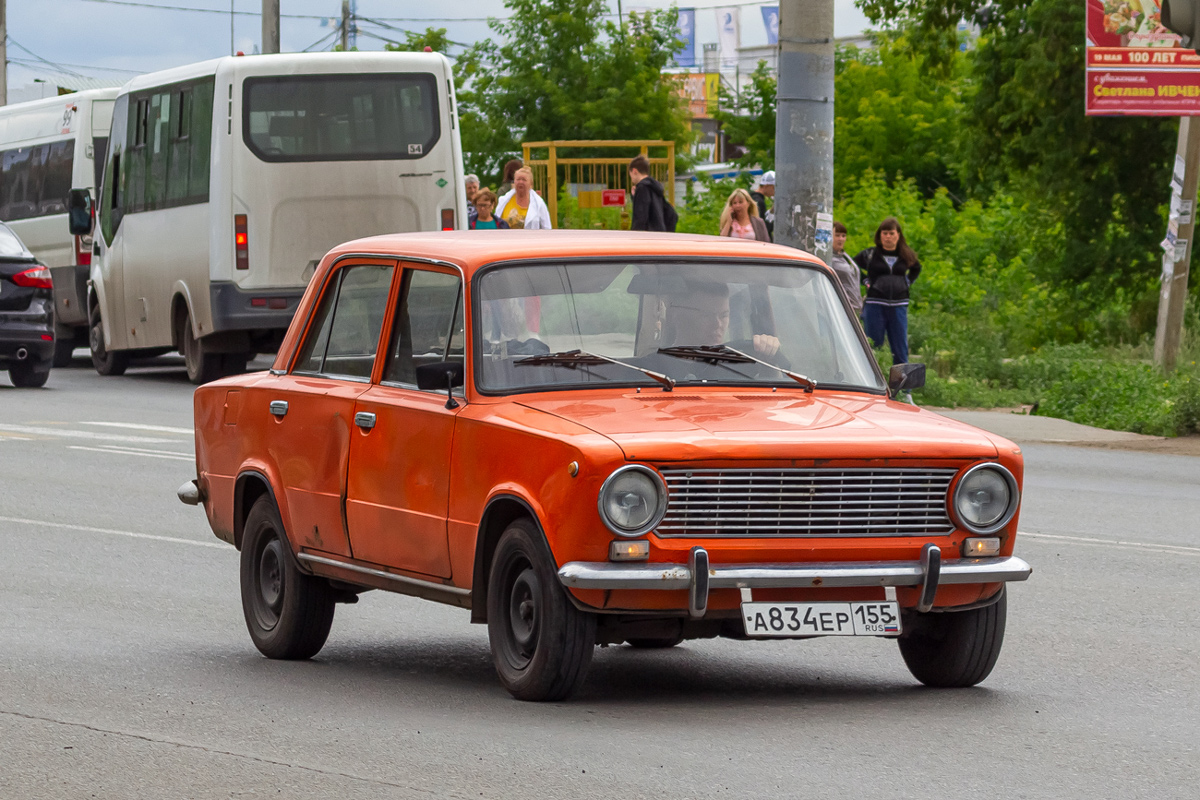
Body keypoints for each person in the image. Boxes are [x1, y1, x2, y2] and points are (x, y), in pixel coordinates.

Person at [853, 216, 921, 365]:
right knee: (873, 345)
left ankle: (903, 387)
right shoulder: (870, 254)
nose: (888, 237)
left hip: (899, 305)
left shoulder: (906, 254)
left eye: (891, 233)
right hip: (875, 304)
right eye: (884, 233)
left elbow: (916, 268)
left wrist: (907, 282)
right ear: (879, 235)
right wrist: (865, 281)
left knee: (900, 348)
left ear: (898, 235)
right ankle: (872, 384)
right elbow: (852, 266)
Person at [664, 281, 780, 358]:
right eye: (706, 315)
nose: (717, 324)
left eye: (724, 316)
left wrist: (768, 355)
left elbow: (779, 390)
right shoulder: (651, 370)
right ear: (678, 315)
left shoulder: (741, 363)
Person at [829, 221, 862, 315]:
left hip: (854, 307)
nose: (841, 239)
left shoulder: (845, 257)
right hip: (839, 307)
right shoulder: (828, 259)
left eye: (843, 236)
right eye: (837, 235)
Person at [629, 154, 668, 232]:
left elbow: (641, 216)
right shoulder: (655, 187)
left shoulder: (642, 188)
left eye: (631, 175)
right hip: (660, 233)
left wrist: (634, 236)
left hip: (648, 236)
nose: (631, 179)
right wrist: (635, 197)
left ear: (634, 171)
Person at [750, 170, 775, 241]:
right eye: (773, 188)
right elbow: (762, 227)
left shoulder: (751, 197)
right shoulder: (759, 201)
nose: (775, 191)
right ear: (767, 186)